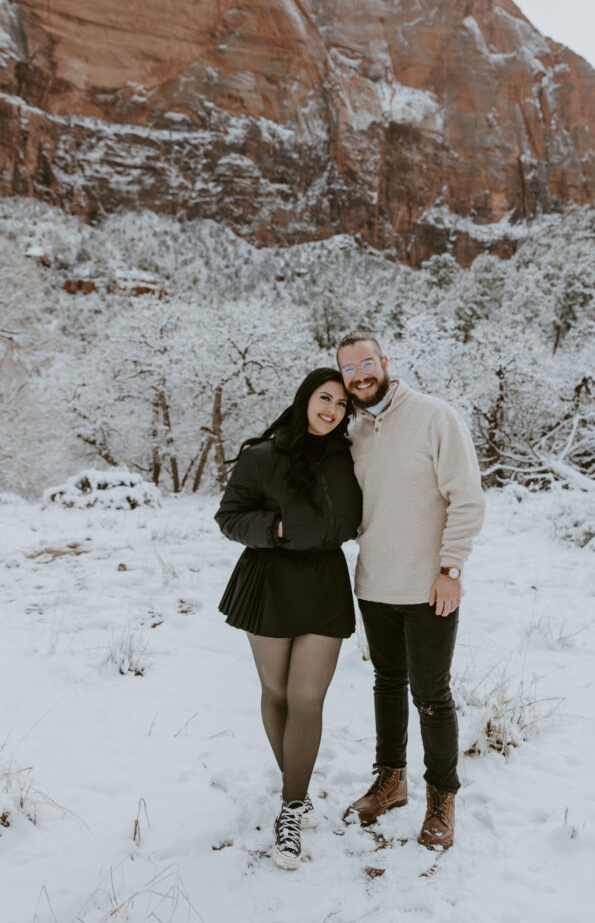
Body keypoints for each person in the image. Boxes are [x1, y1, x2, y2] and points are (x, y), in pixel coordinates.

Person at [336, 330, 485, 850]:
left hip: (429, 587)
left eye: (367, 363)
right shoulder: (351, 432)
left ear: (385, 362)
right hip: (375, 582)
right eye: (349, 369)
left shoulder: (434, 416)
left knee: (432, 695)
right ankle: (391, 779)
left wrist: (452, 569)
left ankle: (441, 798)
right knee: (386, 682)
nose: (360, 375)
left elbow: (467, 497)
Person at [214, 368, 362, 870]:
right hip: (269, 580)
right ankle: (295, 790)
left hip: (324, 580)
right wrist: (273, 526)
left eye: (342, 405)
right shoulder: (261, 456)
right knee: (276, 693)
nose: (332, 410)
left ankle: (290, 809)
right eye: (325, 398)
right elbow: (228, 517)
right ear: (305, 399)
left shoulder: (351, 457)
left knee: (306, 697)